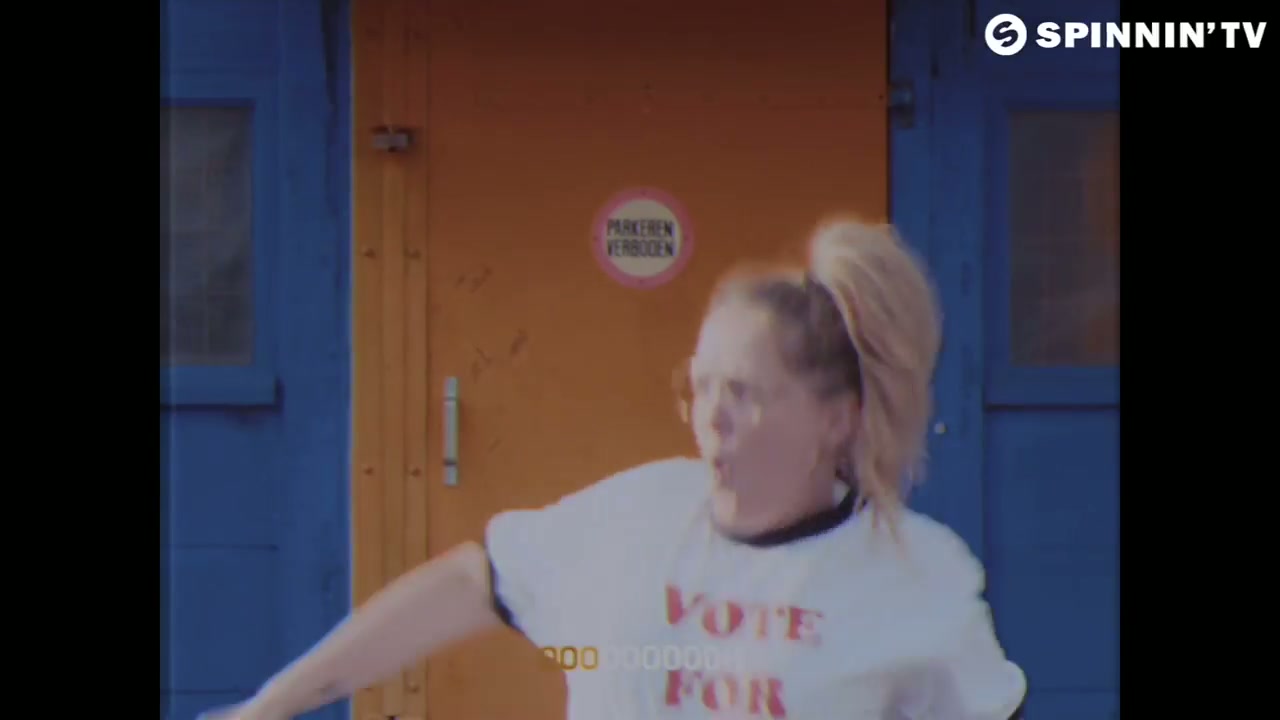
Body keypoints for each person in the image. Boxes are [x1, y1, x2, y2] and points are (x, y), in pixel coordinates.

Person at [200, 218, 1027, 720]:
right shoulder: (631, 518)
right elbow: (471, 582)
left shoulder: (915, 578)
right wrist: (277, 701)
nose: (710, 417)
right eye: (699, 387)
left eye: (744, 394)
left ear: (836, 418)